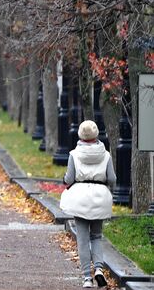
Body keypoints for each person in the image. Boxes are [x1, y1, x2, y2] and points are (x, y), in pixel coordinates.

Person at [60, 120, 116, 288]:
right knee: (97, 236)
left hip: (80, 198)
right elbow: (112, 179)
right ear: (96, 134)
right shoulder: (105, 155)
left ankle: (86, 278)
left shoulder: (74, 154)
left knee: (83, 239)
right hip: (99, 197)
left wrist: (65, 179)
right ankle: (98, 269)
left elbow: (69, 179)